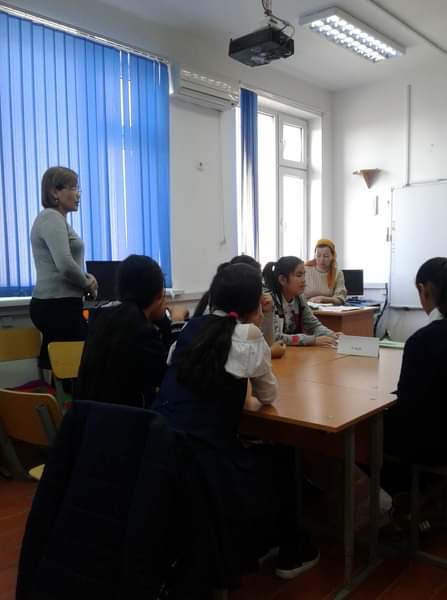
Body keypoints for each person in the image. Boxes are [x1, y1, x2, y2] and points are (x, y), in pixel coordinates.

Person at [154, 263, 319, 582]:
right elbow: (268, 395)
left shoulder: (189, 329)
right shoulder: (246, 335)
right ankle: (292, 546)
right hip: (208, 465)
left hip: (164, 452)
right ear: (255, 303)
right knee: (282, 454)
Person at [76, 254, 186, 408]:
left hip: (86, 417)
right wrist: (176, 324)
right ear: (159, 294)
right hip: (123, 420)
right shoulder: (143, 331)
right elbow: (170, 378)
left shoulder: (100, 319)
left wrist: (161, 320)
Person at [30, 167, 98, 369]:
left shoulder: (56, 220)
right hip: (56, 305)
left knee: (65, 370)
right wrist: (87, 284)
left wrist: (85, 276)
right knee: (78, 367)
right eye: (73, 188)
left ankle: (59, 392)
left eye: (78, 189)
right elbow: (65, 264)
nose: (78, 195)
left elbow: (64, 263)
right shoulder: (51, 218)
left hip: (59, 304)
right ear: (54, 192)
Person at [384, 257, 447, 470]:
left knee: (364, 425)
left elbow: (408, 405)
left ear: (423, 289)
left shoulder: (422, 341)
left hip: (431, 445)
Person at [193, 254, 276, 347]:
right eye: (258, 284)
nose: (261, 290)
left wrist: (268, 313)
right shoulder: (215, 315)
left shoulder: (240, 310)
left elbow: (266, 346)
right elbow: (262, 349)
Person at [263, 256, 339, 347]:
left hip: (292, 351)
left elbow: (313, 325)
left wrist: (331, 334)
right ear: (282, 279)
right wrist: (312, 340)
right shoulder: (269, 301)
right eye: (299, 275)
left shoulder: (299, 297)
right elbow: (275, 337)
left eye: (304, 275)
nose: (303, 280)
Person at [304, 238, 347, 305]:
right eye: (318, 256)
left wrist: (324, 299)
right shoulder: (305, 270)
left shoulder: (338, 273)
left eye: (326, 256)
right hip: (306, 308)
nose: (322, 259)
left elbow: (340, 299)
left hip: (329, 310)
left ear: (332, 256)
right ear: (315, 256)